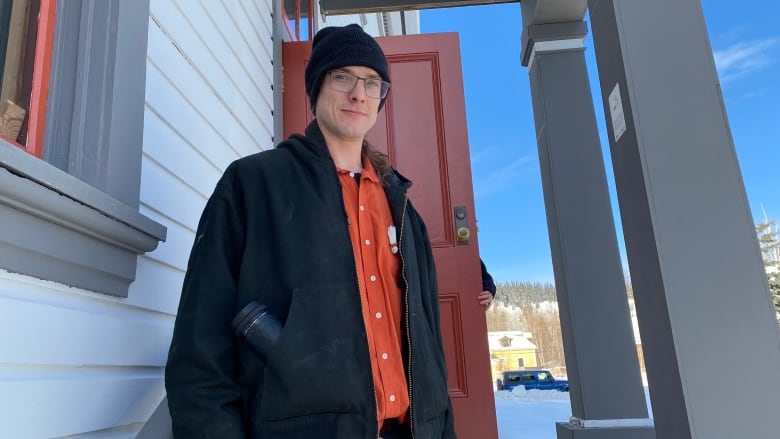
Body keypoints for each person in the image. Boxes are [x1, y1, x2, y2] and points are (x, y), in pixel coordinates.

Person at [164, 24, 456, 439]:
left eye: (372, 83)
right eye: (343, 77)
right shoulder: (253, 185)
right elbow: (199, 345)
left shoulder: (404, 211)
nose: (359, 93)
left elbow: (431, 349)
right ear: (317, 87)